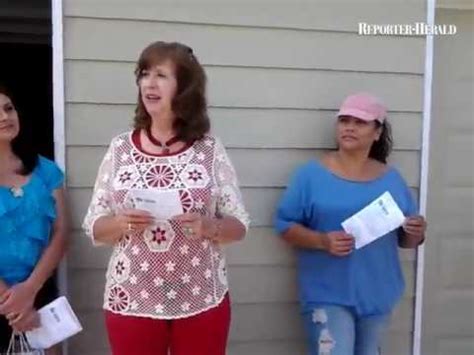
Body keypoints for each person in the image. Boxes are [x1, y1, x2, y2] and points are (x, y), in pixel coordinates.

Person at [83, 41, 249, 355]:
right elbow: (94, 225)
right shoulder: (120, 149)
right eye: (144, 74)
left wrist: (208, 226)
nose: (149, 82)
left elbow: (239, 225)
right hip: (132, 297)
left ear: (184, 88)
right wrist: (121, 224)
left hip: (201, 295)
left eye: (161, 74)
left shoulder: (209, 150)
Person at [274, 92, 426, 355]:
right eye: (344, 120)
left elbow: (406, 240)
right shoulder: (310, 175)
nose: (349, 127)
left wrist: (416, 232)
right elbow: (284, 225)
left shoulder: (391, 179)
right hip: (327, 293)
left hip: (378, 293)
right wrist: (322, 241)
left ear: (377, 132)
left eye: (360, 122)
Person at [0, 84, 67, 352]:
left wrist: (29, 290)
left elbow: (62, 232)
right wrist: (11, 304)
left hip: (39, 292)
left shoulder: (46, 170)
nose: (5, 116)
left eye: (8, 108)